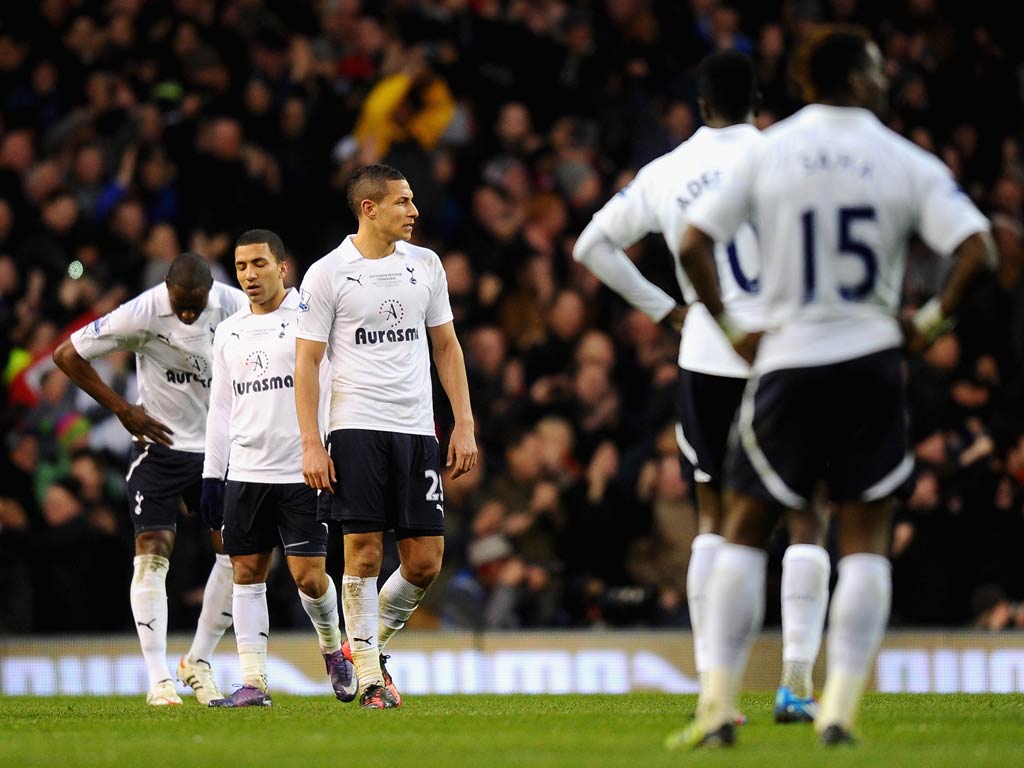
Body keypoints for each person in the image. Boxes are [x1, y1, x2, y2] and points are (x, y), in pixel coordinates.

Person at [671, 27, 994, 748]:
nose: (884, 79)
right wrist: (931, 322)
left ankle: (718, 704)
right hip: (872, 361)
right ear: (853, 76)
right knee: (865, 536)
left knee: (743, 529)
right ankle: (839, 708)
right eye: (877, 67)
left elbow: (693, 242)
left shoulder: (770, 149)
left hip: (787, 358)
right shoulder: (903, 158)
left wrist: (727, 327)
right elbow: (980, 249)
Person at [573, 49, 829, 723]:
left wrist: (666, 308)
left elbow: (590, 247)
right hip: (785, 354)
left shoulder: (668, 170)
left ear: (700, 102)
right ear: (757, 98)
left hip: (709, 356)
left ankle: (716, 690)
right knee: (805, 515)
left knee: (713, 524)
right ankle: (797, 684)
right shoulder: (791, 157)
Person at [294, 163, 478, 709]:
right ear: (369, 209)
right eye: (403, 202)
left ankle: (362, 650)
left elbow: (446, 346)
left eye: (413, 201)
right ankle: (372, 678)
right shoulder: (328, 273)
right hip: (355, 428)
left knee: (425, 562)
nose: (414, 211)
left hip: (417, 428)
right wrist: (311, 441)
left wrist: (463, 423)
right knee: (364, 553)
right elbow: (306, 363)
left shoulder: (426, 265)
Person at [53, 252, 248, 706]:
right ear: (166, 289)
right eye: (180, 304)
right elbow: (67, 355)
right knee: (151, 553)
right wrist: (122, 408)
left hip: (220, 451)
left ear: (210, 295)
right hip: (159, 449)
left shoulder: (234, 306)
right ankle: (159, 679)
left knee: (239, 557)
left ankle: (197, 662)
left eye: (194, 306)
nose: (186, 313)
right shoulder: (141, 311)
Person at [200, 229, 358, 708]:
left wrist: (332, 448)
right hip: (246, 472)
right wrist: (212, 473)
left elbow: (333, 387)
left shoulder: (311, 318)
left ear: (282, 267)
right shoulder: (229, 331)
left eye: (259, 264)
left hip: (302, 469)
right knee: (246, 571)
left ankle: (334, 648)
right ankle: (254, 683)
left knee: (309, 576)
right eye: (242, 266)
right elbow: (221, 408)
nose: (249, 275)